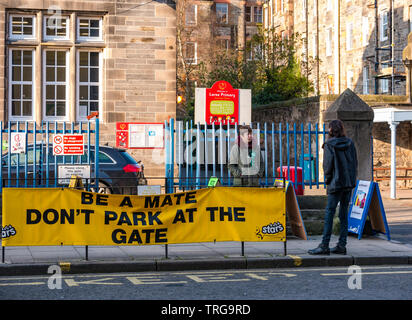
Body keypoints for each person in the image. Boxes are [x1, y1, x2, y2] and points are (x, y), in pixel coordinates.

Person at [308, 119, 358, 255]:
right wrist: (351, 181)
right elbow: (354, 164)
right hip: (347, 184)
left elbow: (327, 166)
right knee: (343, 214)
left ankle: (324, 245)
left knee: (329, 213)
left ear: (331, 130)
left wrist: (328, 180)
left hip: (335, 184)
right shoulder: (350, 143)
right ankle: (342, 245)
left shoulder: (329, 145)